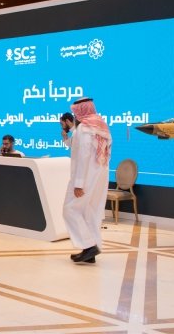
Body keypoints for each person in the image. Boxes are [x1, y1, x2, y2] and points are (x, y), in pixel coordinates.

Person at [62, 98, 112, 264]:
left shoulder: (84, 128)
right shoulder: (102, 126)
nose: (75, 113)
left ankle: (89, 246)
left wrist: (78, 183)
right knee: (90, 213)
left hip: (85, 178)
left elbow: (83, 155)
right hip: (100, 176)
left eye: (76, 110)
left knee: (70, 209)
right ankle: (91, 251)